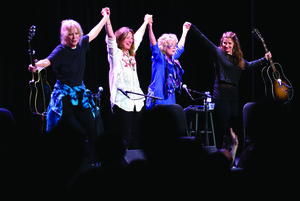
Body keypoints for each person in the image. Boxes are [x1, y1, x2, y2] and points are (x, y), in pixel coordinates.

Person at [28, 13, 109, 143]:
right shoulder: (61, 50)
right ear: (65, 36)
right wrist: (36, 66)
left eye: (76, 33)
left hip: (80, 94)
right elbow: (47, 61)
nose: (74, 37)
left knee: (94, 129)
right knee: (63, 130)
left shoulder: (82, 44)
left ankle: (94, 161)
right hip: (64, 95)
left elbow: (93, 33)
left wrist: (105, 18)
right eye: (70, 34)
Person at [190, 24, 272, 149]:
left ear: (234, 44)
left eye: (229, 43)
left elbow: (249, 65)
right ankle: (222, 153)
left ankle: (229, 155)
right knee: (225, 125)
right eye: (224, 43)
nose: (226, 46)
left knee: (233, 126)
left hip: (234, 97)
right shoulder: (219, 53)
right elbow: (204, 39)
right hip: (221, 94)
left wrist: (263, 60)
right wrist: (192, 27)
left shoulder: (237, 59)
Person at [103, 7, 152, 149]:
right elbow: (111, 38)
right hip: (122, 101)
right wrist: (107, 20)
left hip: (137, 101)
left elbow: (139, 37)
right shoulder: (115, 54)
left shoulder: (131, 54)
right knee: (125, 137)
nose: (130, 40)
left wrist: (145, 22)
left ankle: (135, 167)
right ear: (121, 38)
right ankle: (122, 167)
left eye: (131, 38)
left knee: (136, 137)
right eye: (127, 37)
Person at [146, 20, 191, 109]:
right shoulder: (159, 58)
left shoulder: (172, 58)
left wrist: (185, 32)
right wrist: (150, 27)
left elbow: (181, 47)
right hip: (158, 96)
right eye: (171, 45)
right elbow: (154, 44)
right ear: (164, 47)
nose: (174, 48)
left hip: (169, 97)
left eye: (175, 45)